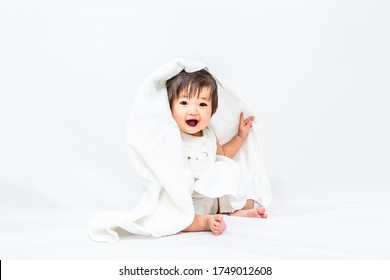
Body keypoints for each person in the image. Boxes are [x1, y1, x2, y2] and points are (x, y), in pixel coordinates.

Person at [166, 69, 267, 236]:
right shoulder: (172, 136)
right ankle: (204, 222)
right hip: (189, 200)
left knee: (228, 171)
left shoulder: (209, 134)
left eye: (202, 104)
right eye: (184, 103)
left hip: (212, 198)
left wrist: (241, 135)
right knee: (175, 218)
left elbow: (223, 154)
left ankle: (236, 211)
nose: (193, 111)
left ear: (212, 111)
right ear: (170, 109)